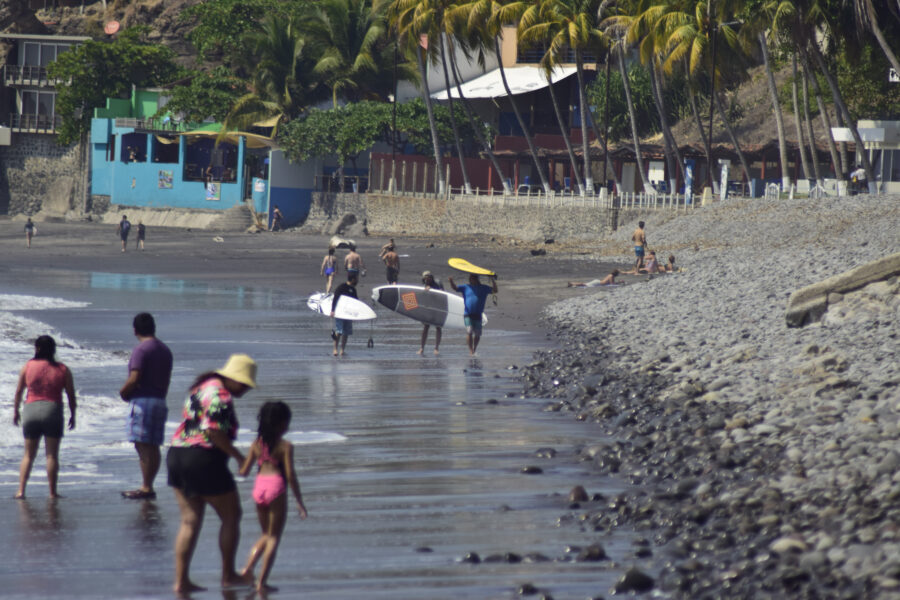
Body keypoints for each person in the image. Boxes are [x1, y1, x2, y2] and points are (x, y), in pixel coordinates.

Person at [167, 354, 257, 594]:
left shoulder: (202, 387)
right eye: (245, 384)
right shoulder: (221, 395)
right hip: (203, 459)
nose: (247, 388)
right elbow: (214, 432)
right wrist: (238, 458)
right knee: (231, 515)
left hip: (177, 455)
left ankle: (181, 581)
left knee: (189, 520)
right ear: (234, 378)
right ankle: (228, 576)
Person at [238, 401, 308, 592]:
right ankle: (262, 583)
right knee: (274, 537)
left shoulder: (256, 445)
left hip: (259, 487)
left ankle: (247, 568)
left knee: (265, 535)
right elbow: (291, 475)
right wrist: (300, 502)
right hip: (276, 486)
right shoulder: (285, 446)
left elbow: (243, 472)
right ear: (281, 424)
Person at [13, 335, 76, 499]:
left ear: (37, 349)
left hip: (31, 409)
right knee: (52, 455)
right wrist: (73, 414)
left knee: (28, 454)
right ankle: (52, 492)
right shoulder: (62, 369)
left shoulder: (28, 366)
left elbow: (19, 391)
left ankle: (21, 491)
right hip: (52, 410)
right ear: (54, 350)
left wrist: (16, 411)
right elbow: (70, 395)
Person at [119, 313, 173, 500]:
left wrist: (123, 392)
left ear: (135, 330)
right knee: (153, 445)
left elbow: (134, 378)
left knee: (142, 445)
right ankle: (148, 485)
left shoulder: (141, 350)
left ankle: (146, 487)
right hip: (160, 399)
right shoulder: (164, 350)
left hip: (143, 401)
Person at [448, 273, 498, 356]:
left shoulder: (484, 288)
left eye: (473, 278)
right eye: (470, 278)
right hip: (468, 313)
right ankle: (471, 351)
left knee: (477, 334)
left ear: (476, 279)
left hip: (478, 314)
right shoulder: (465, 287)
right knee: (469, 331)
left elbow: (495, 290)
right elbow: (455, 288)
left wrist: (493, 280)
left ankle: (474, 349)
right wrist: (451, 281)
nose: (471, 279)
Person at [331, 273, 359, 356]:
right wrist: (332, 310)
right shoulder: (342, 287)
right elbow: (335, 298)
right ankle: (335, 349)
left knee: (346, 332)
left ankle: (342, 350)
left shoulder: (353, 289)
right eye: (356, 279)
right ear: (353, 279)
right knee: (339, 331)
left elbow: (356, 302)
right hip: (340, 312)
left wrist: (355, 314)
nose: (357, 280)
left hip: (349, 314)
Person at [419, 271, 443, 355]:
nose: (427, 279)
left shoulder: (437, 283)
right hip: (428, 308)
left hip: (437, 308)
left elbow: (442, 294)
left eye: (428, 277)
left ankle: (436, 348)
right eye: (425, 278)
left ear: (431, 277)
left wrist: (432, 290)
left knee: (438, 328)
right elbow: (421, 297)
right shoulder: (424, 285)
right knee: (426, 327)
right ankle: (422, 348)